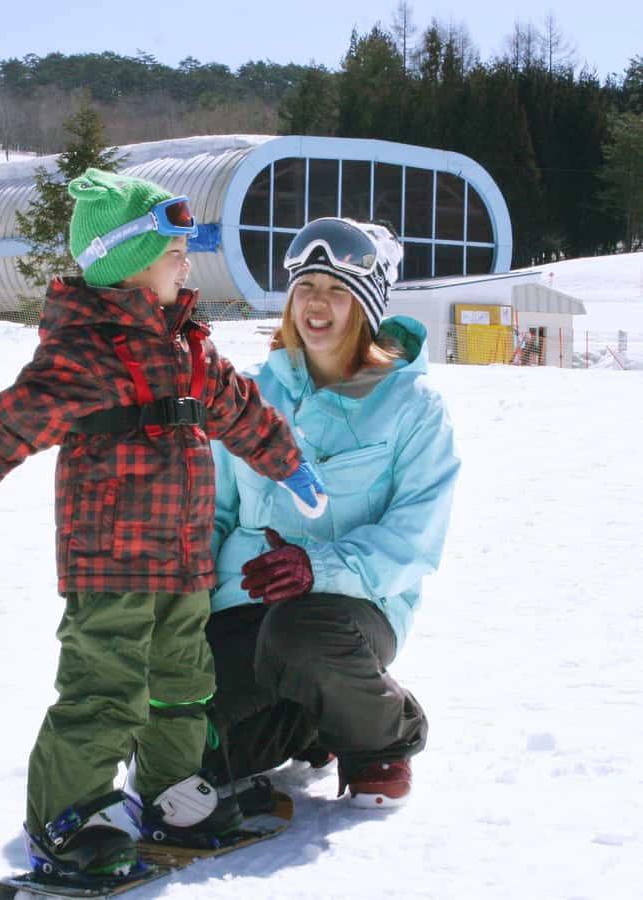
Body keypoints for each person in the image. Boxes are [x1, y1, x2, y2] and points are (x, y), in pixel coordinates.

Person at [0, 168, 326, 884]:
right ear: (131, 269)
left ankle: (169, 793)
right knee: (106, 688)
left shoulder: (191, 345)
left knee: (183, 682)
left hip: (184, 556)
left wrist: (286, 461)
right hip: (112, 558)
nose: (185, 264)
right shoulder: (86, 351)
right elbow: (15, 418)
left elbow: (236, 406)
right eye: (172, 254)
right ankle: (68, 818)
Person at [205, 217, 460, 809]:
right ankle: (314, 719)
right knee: (188, 742)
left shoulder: (412, 406)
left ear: (365, 307)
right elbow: (214, 511)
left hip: (349, 612)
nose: (317, 304)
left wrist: (316, 568)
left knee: (301, 632)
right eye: (306, 288)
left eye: (337, 291)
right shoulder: (250, 396)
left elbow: (414, 538)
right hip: (244, 601)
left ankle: (385, 737)